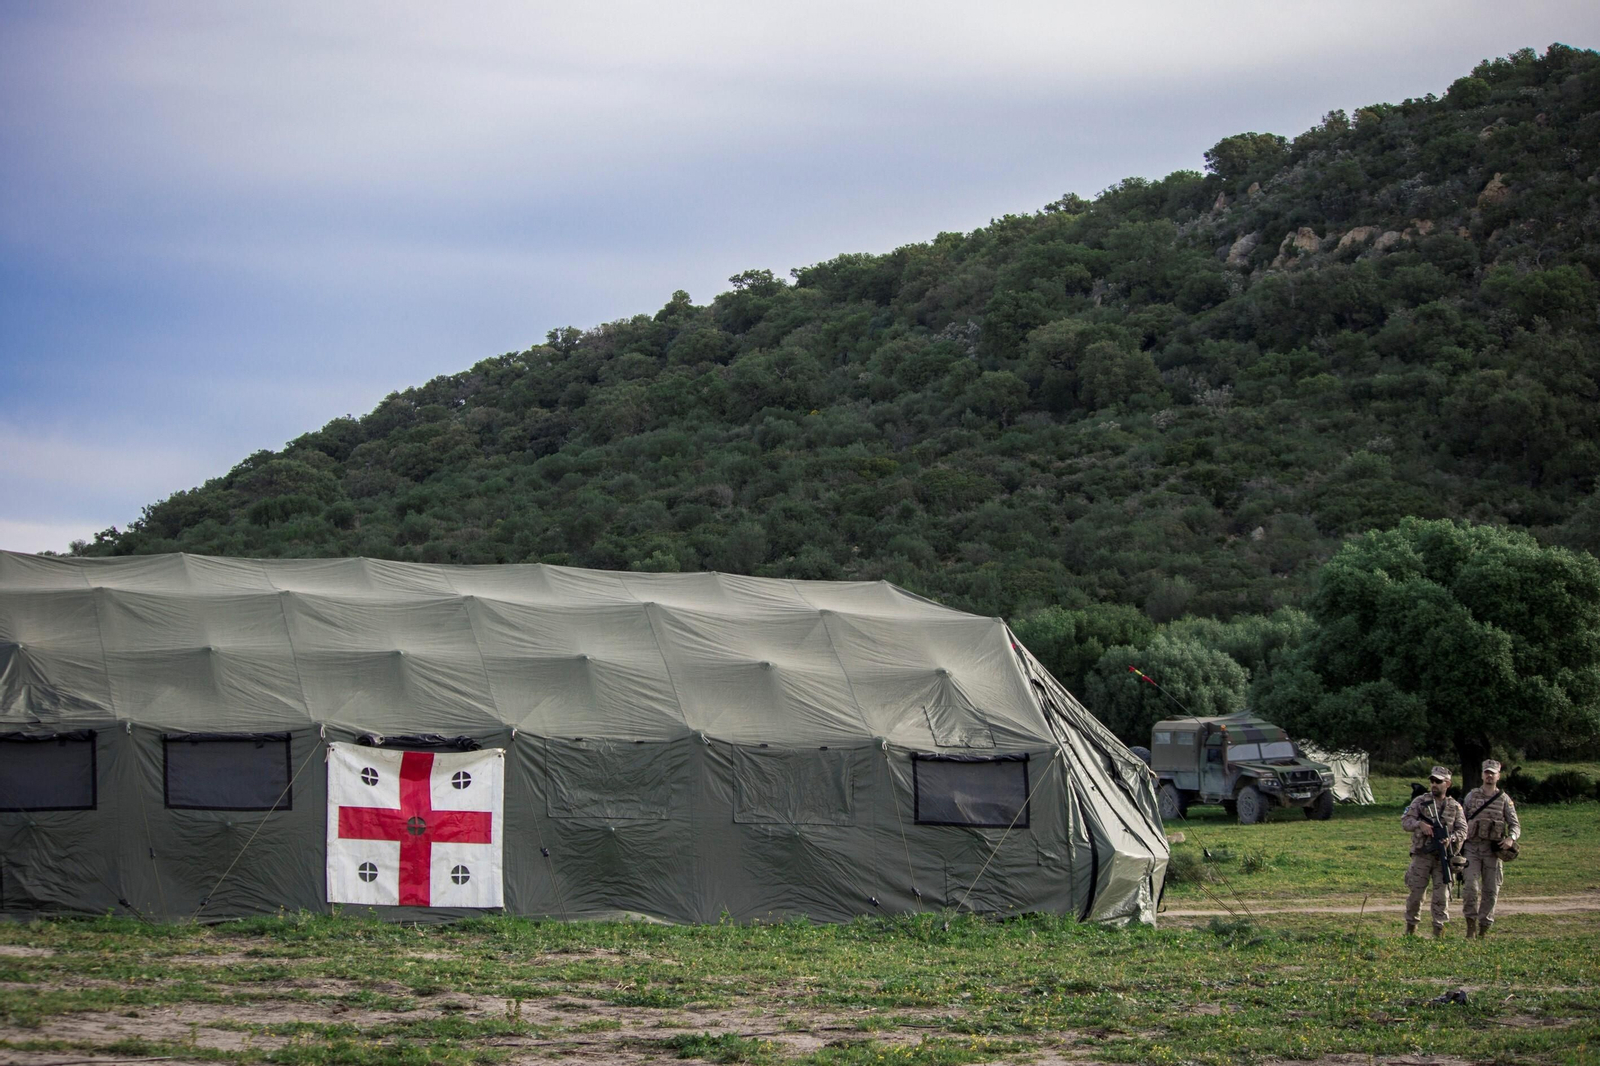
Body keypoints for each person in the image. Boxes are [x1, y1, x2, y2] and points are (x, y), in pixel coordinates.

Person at [1400, 765, 1467, 936]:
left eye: (1438, 781)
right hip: (1422, 855)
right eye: (1432, 781)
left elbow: (1463, 831)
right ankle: (1411, 929)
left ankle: (1439, 931)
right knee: (1415, 894)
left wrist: (1450, 839)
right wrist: (1419, 824)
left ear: (1448, 784)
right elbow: (1406, 822)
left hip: (1443, 858)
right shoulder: (1420, 802)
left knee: (1441, 897)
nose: (1434, 784)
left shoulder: (1455, 807)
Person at [1461, 758, 1520, 937]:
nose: (1489, 776)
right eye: (1486, 772)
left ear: (1498, 776)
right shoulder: (1472, 796)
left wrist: (1511, 838)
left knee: (1491, 890)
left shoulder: (1504, 799)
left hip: (1492, 851)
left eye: (1492, 773)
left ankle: (1484, 928)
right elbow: (1460, 821)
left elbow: (1515, 825)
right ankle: (1470, 924)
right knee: (1470, 887)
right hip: (1472, 847)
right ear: (1482, 774)